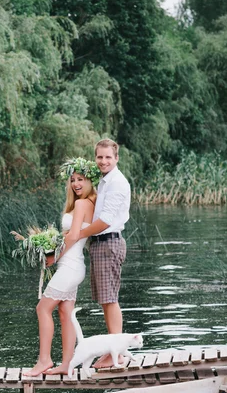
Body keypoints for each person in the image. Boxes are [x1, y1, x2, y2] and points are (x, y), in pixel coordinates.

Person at [23, 158, 101, 376]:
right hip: (73, 266)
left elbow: (75, 235)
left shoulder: (82, 203)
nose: (76, 183)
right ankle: (67, 363)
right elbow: (71, 234)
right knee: (65, 312)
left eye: (81, 179)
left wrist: (53, 257)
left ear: (89, 181)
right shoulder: (88, 204)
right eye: (73, 180)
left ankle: (44, 360)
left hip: (70, 266)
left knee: (43, 308)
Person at [75, 138, 131, 369]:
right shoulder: (105, 181)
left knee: (110, 299)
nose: (103, 161)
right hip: (100, 244)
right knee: (105, 300)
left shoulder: (117, 182)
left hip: (109, 242)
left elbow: (107, 220)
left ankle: (115, 353)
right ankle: (113, 350)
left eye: (108, 157)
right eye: (100, 157)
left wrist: (78, 234)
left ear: (116, 158)